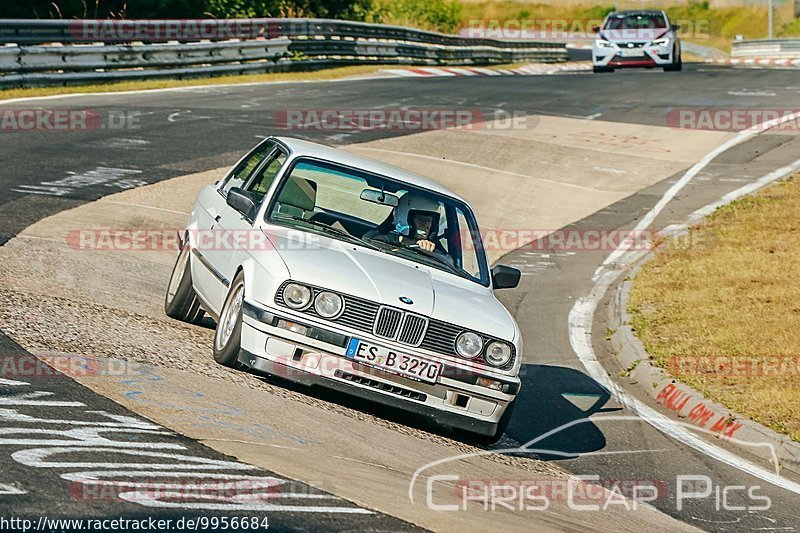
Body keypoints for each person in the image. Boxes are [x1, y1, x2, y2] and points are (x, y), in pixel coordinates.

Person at [364, 192, 446, 255]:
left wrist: (428, 251)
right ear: (404, 217)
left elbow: (449, 262)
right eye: (422, 220)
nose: (427, 225)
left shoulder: (433, 249)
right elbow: (368, 244)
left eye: (430, 221)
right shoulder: (384, 240)